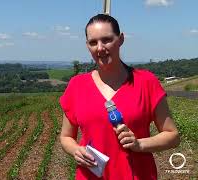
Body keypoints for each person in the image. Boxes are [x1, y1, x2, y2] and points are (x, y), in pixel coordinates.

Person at [59, 14, 180, 180]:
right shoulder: (76, 86)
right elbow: (66, 137)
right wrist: (75, 150)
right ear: (87, 46)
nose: (100, 48)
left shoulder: (146, 82)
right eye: (93, 42)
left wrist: (139, 144)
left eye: (107, 40)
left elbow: (172, 136)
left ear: (121, 39)